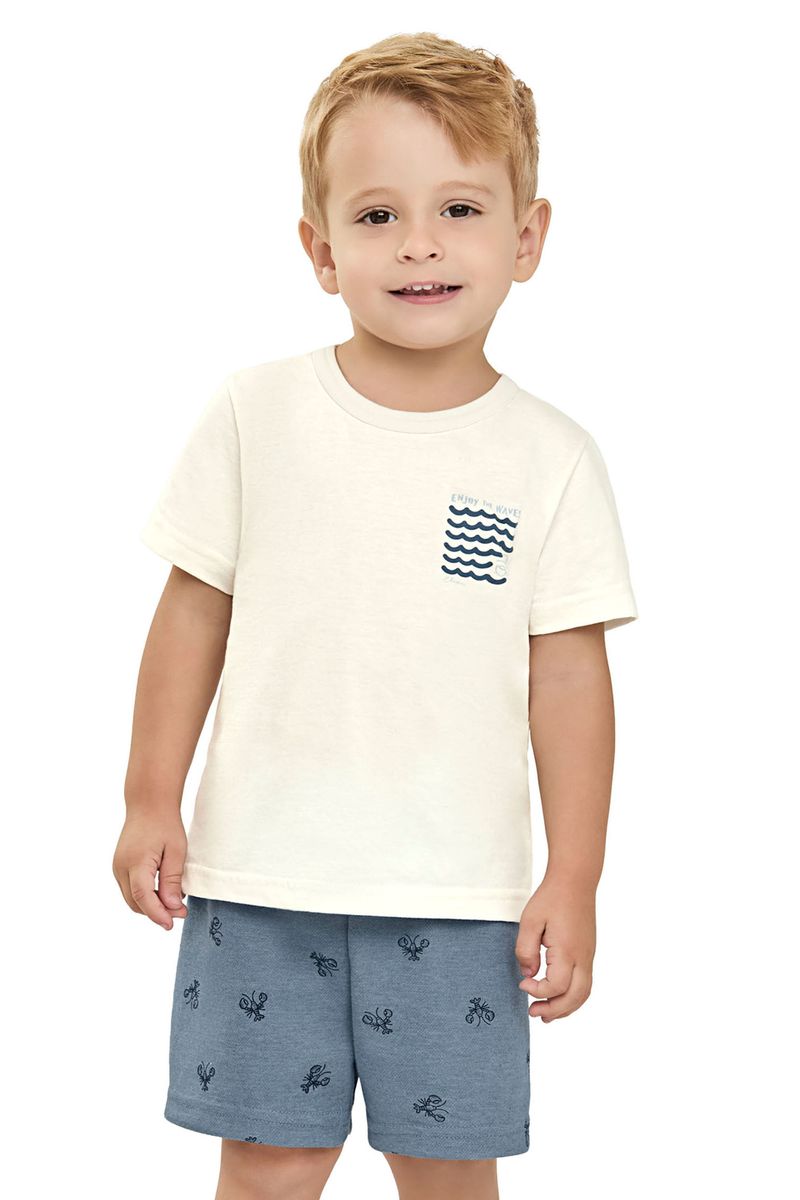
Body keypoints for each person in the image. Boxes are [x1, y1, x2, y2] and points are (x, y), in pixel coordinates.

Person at [114, 30, 639, 1200]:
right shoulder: (254, 415)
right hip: (258, 884)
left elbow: (568, 681)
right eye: (375, 215)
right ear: (319, 248)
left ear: (526, 236)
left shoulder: (549, 458)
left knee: (447, 1176)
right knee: (269, 1168)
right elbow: (191, 615)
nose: (418, 244)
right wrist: (150, 796)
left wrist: (575, 875)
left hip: (459, 901)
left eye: (458, 209)